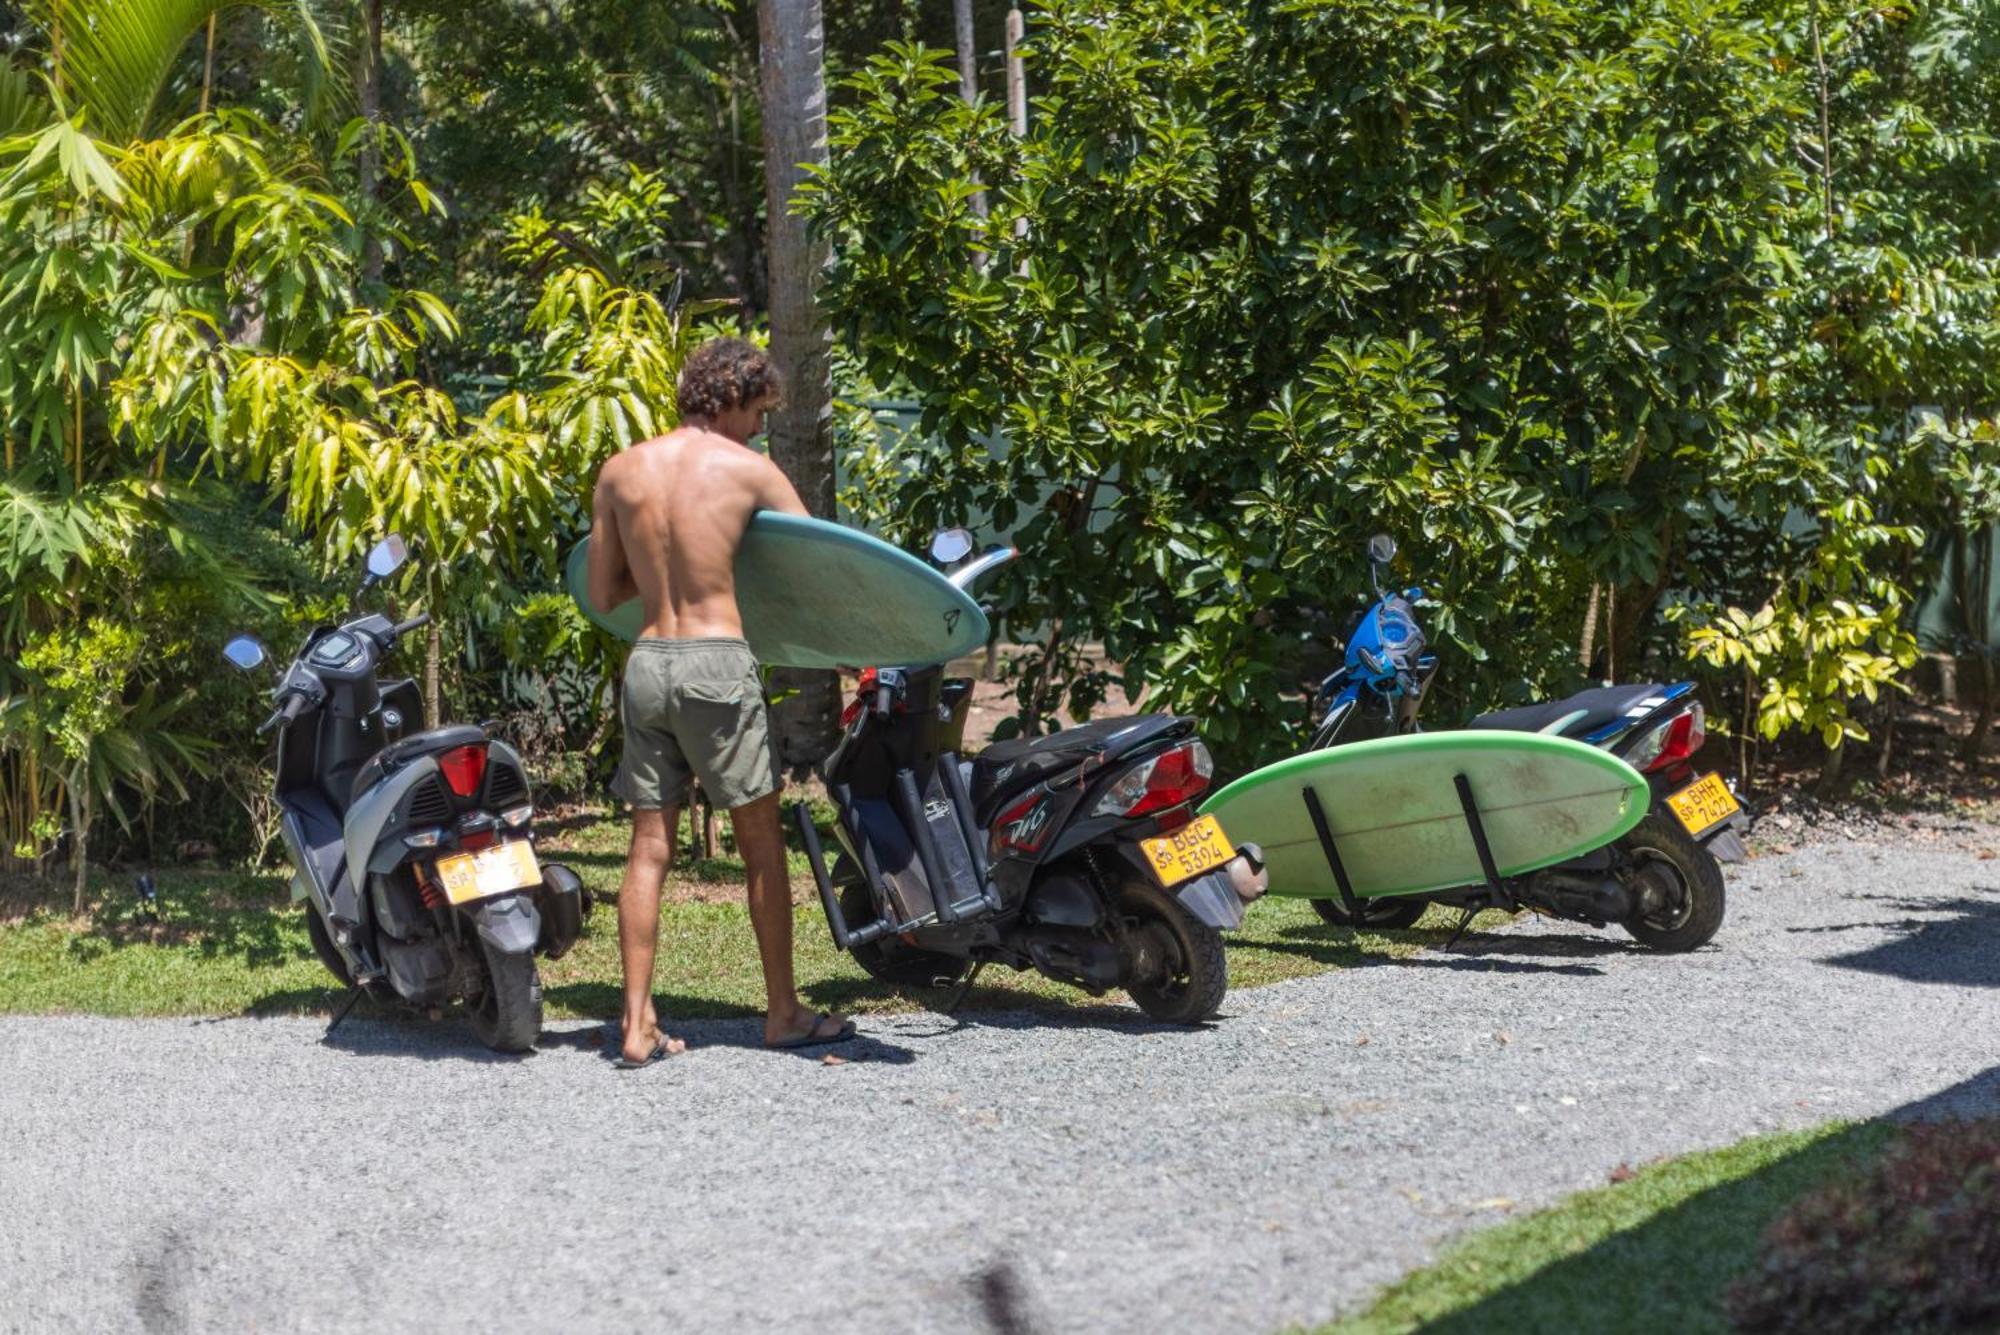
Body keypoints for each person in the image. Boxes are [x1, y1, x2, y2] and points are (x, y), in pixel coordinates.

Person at [586, 336, 853, 1068]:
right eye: (758, 413)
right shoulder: (749, 471)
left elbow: (604, 591)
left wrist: (667, 571)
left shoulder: (621, 471)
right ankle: (784, 1012)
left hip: (648, 665)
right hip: (715, 663)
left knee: (647, 849)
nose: (761, 429)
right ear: (730, 399)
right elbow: (814, 571)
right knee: (763, 847)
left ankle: (635, 1025)